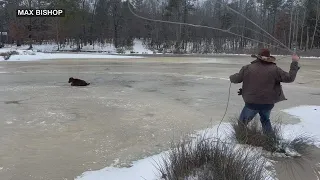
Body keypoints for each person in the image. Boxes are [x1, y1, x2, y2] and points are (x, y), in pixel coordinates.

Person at [229, 49, 300, 134]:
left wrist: (231, 77)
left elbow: (236, 79)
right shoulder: (275, 69)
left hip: (252, 103)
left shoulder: (247, 68)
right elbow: (290, 78)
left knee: (242, 123)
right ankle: (269, 141)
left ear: (258, 57)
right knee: (265, 120)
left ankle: (243, 140)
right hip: (268, 103)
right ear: (269, 58)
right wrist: (294, 62)